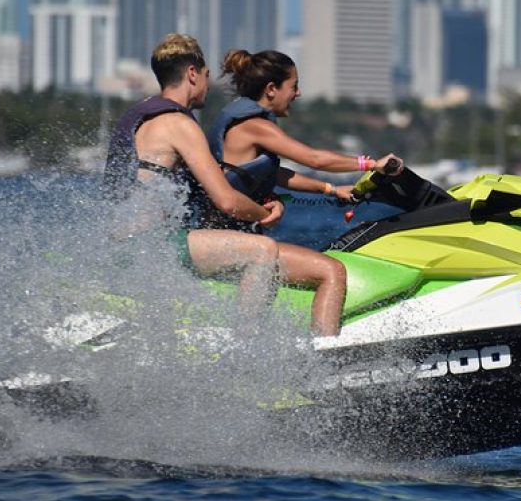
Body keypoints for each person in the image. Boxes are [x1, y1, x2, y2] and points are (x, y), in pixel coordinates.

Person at [103, 33, 343, 336]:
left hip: (126, 242)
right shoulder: (180, 124)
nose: (207, 83)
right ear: (192, 74)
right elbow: (226, 200)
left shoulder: (142, 114)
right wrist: (264, 214)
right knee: (262, 250)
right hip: (149, 245)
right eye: (205, 75)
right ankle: (244, 350)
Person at [209, 48, 404, 206]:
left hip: (232, 228)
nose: (298, 93)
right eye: (294, 86)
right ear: (271, 90)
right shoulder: (254, 126)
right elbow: (314, 159)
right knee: (324, 258)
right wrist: (372, 164)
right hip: (222, 229)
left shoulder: (251, 123)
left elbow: (273, 175)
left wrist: (330, 189)